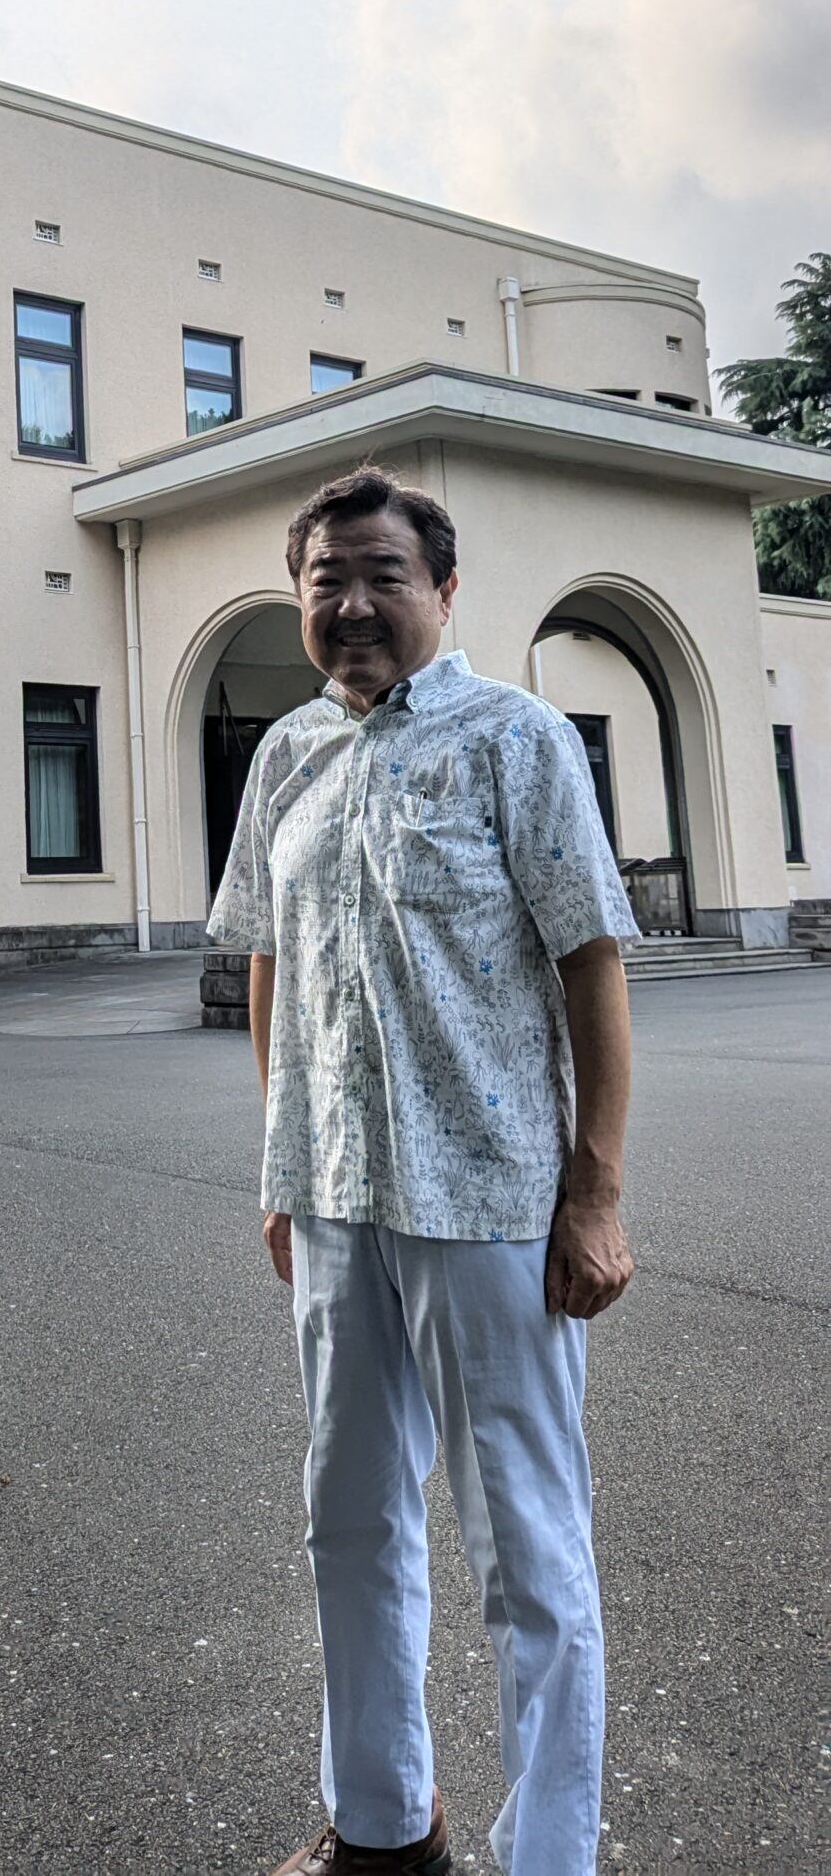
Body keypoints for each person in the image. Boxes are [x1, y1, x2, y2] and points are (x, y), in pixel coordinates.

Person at [207, 465, 637, 1876]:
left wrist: (595, 1189)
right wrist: (281, 1162)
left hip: (493, 1205)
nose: (352, 603)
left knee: (528, 1553)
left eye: (384, 575)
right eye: (327, 578)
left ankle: (551, 1856)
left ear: (444, 592)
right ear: (300, 596)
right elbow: (270, 963)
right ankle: (384, 1830)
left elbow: (591, 964)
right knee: (350, 1526)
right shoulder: (285, 757)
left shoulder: (518, 742)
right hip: (335, 1203)